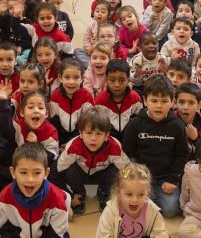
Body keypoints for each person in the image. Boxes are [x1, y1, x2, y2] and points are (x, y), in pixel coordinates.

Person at [122, 74, 187, 218]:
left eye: (164, 101)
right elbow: (127, 153)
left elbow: (182, 155)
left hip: (165, 177)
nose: (159, 105)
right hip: (140, 177)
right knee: (134, 207)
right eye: (154, 100)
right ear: (145, 101)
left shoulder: (178, 126)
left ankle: (152, 199)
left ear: (172, 102)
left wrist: (171, 179)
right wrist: (135, 177)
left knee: (170, 210)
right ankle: (148, 199)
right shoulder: (135, 123)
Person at [57, 108, 129, 214]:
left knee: (116, 170)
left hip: (102, 176)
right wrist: (69, 196)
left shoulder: (114, 147)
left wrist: (121, 194)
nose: (93, 138)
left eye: (99, 134)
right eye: (89, 133)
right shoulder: (73, 146)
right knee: (69, 168)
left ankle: (104, 193)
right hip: (80, 176)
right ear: (81, 133)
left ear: (106, 136)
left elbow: (127, 172)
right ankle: (79, 194)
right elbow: (56, 172)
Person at [0, 143, 70, 237]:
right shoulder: (5, 197)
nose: (30, 179)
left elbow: (57, 234)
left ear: (46, 173)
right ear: (13, 172)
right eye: (23, 172)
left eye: (37, 173)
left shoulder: (56, 198)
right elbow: (5, 230)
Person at [96, 162, 169, 238]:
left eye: (141, 195)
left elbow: (160, 232)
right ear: (118, 192)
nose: (135, 200)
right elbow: (102, 235)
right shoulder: (110, 211)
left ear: (147, 192)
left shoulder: (152, 210)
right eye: (129, 194)